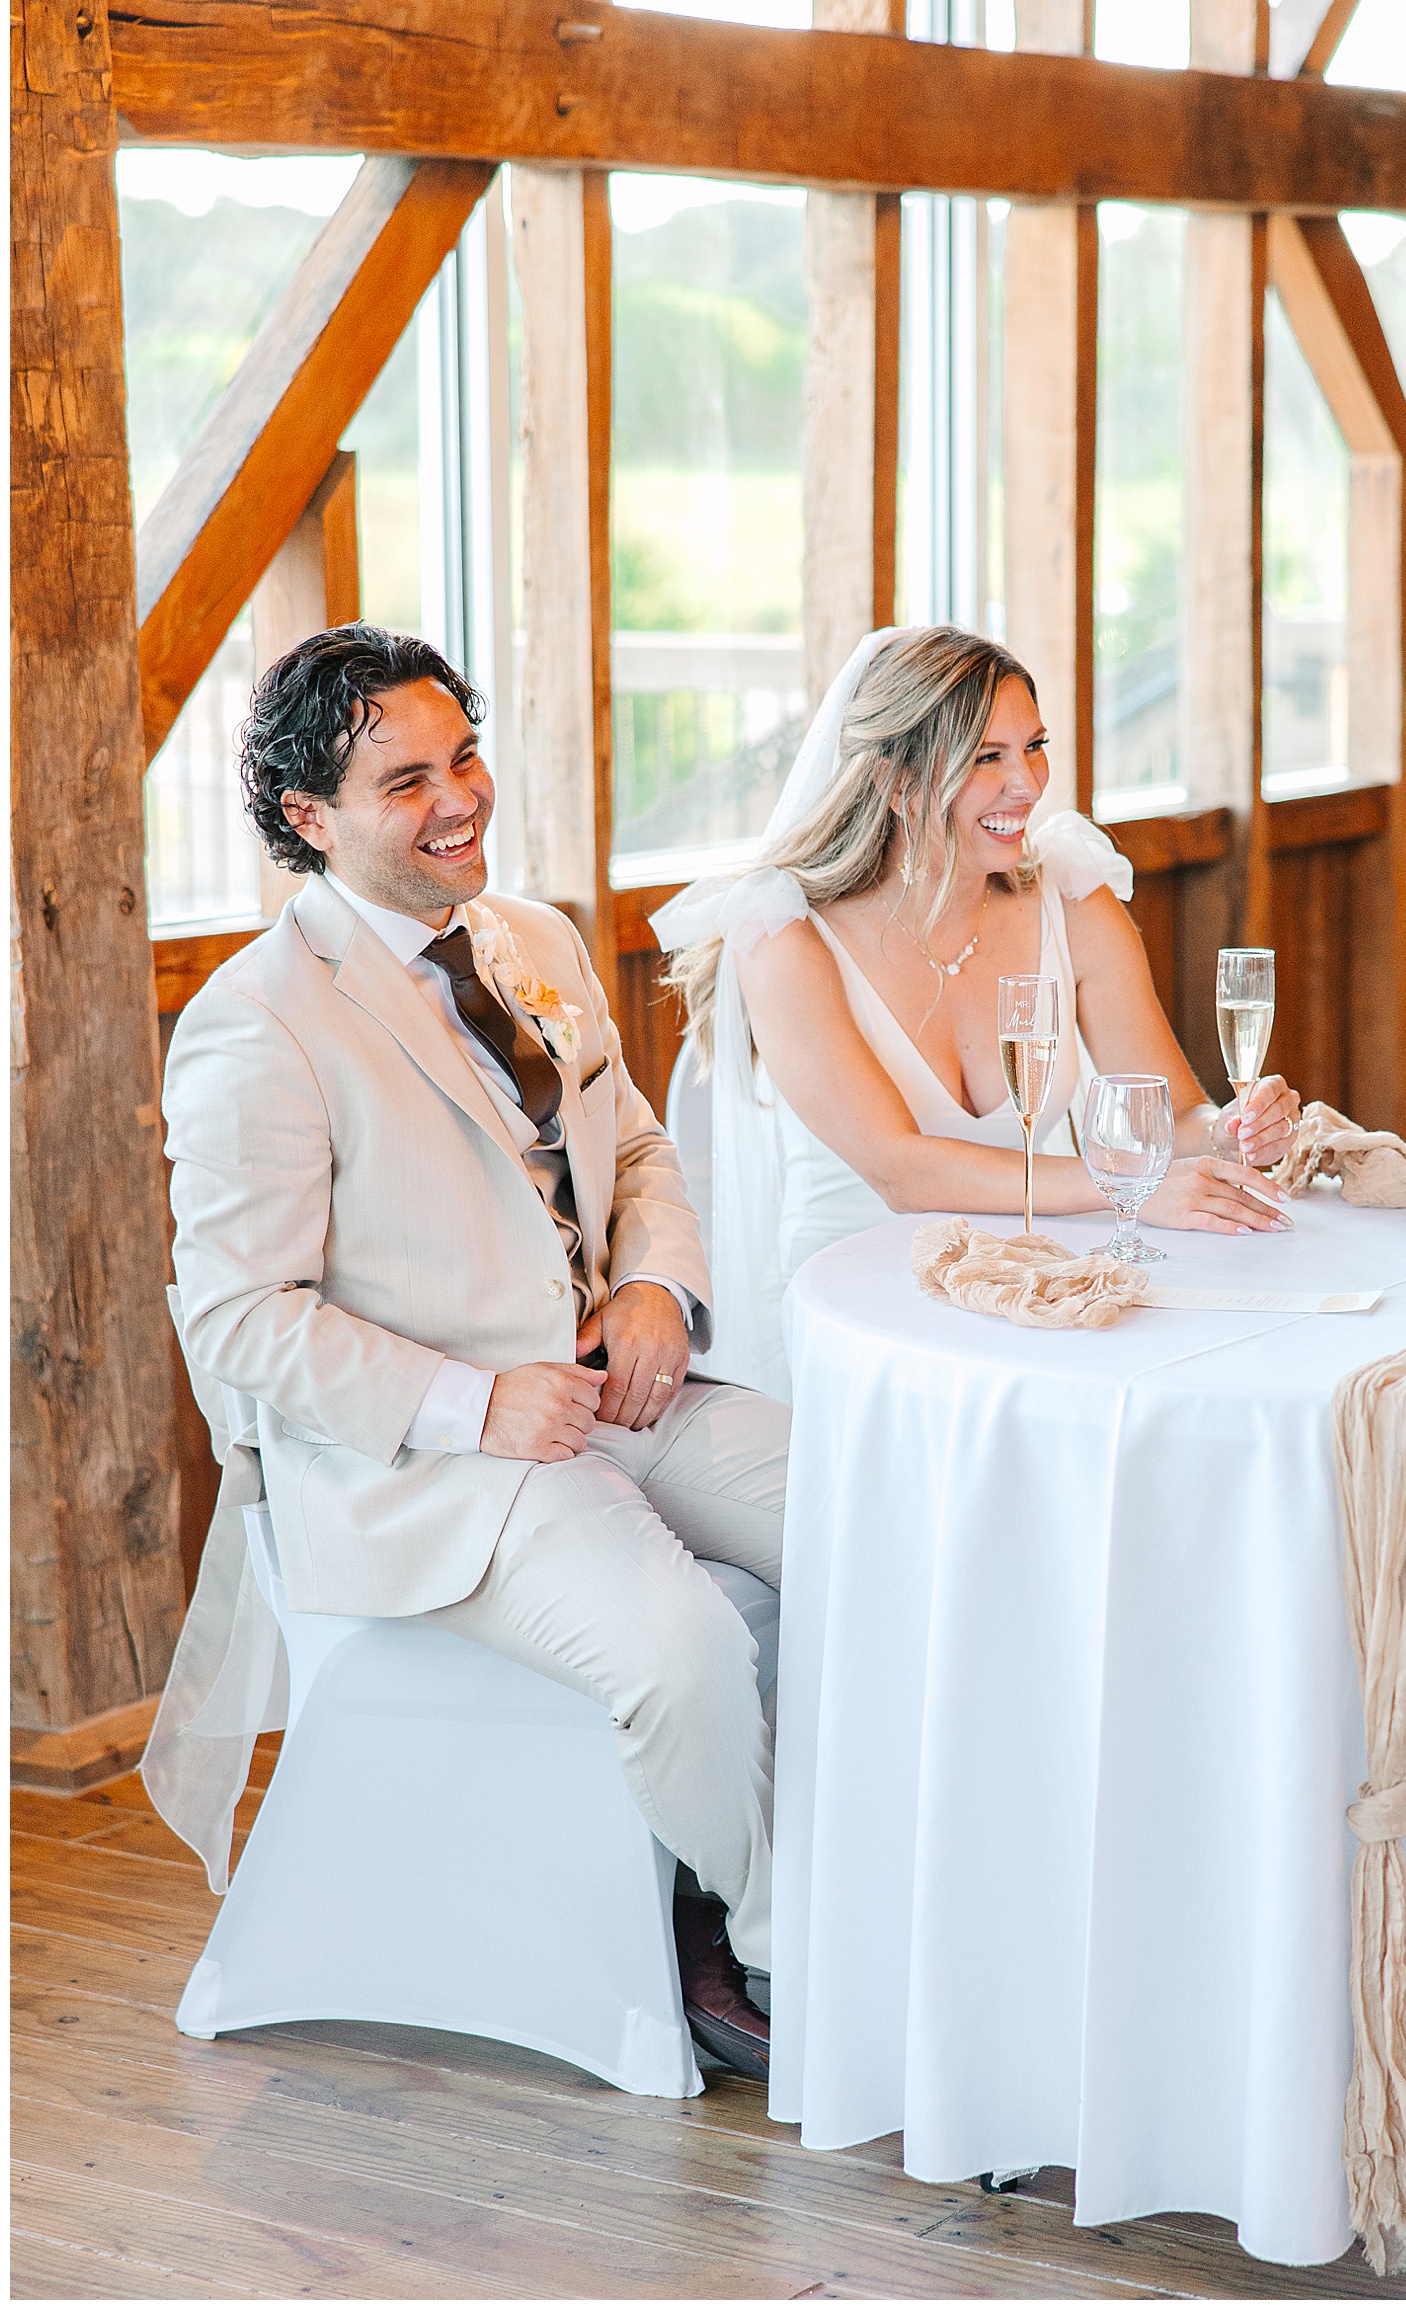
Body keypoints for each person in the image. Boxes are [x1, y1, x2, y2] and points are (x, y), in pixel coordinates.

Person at [159, 623, 784, 2079]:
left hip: (627, 1384)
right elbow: (239, 1317)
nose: (461, 802)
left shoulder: (537, 939)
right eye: (407, 782)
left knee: (890, 1519)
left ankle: (922, 1875)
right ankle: (778, 1944)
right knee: (685, 1643)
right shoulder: (257, 1021)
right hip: (438, 1466)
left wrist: (657, 1294)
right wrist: (473, 1403)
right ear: (309, 820)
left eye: (466, 757)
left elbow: (634, 1144)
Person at [655, 626, 1301, 1397]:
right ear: (896, 781)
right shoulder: (786, 937)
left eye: (1034, 746)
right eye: (986, 758)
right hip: (860, 1313)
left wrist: (1227, 1133)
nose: (1027, 784)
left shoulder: (1070, 895)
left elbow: (1175, 1115)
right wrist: (1125, 1184)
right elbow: (900, 1170)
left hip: (1035, 1290)